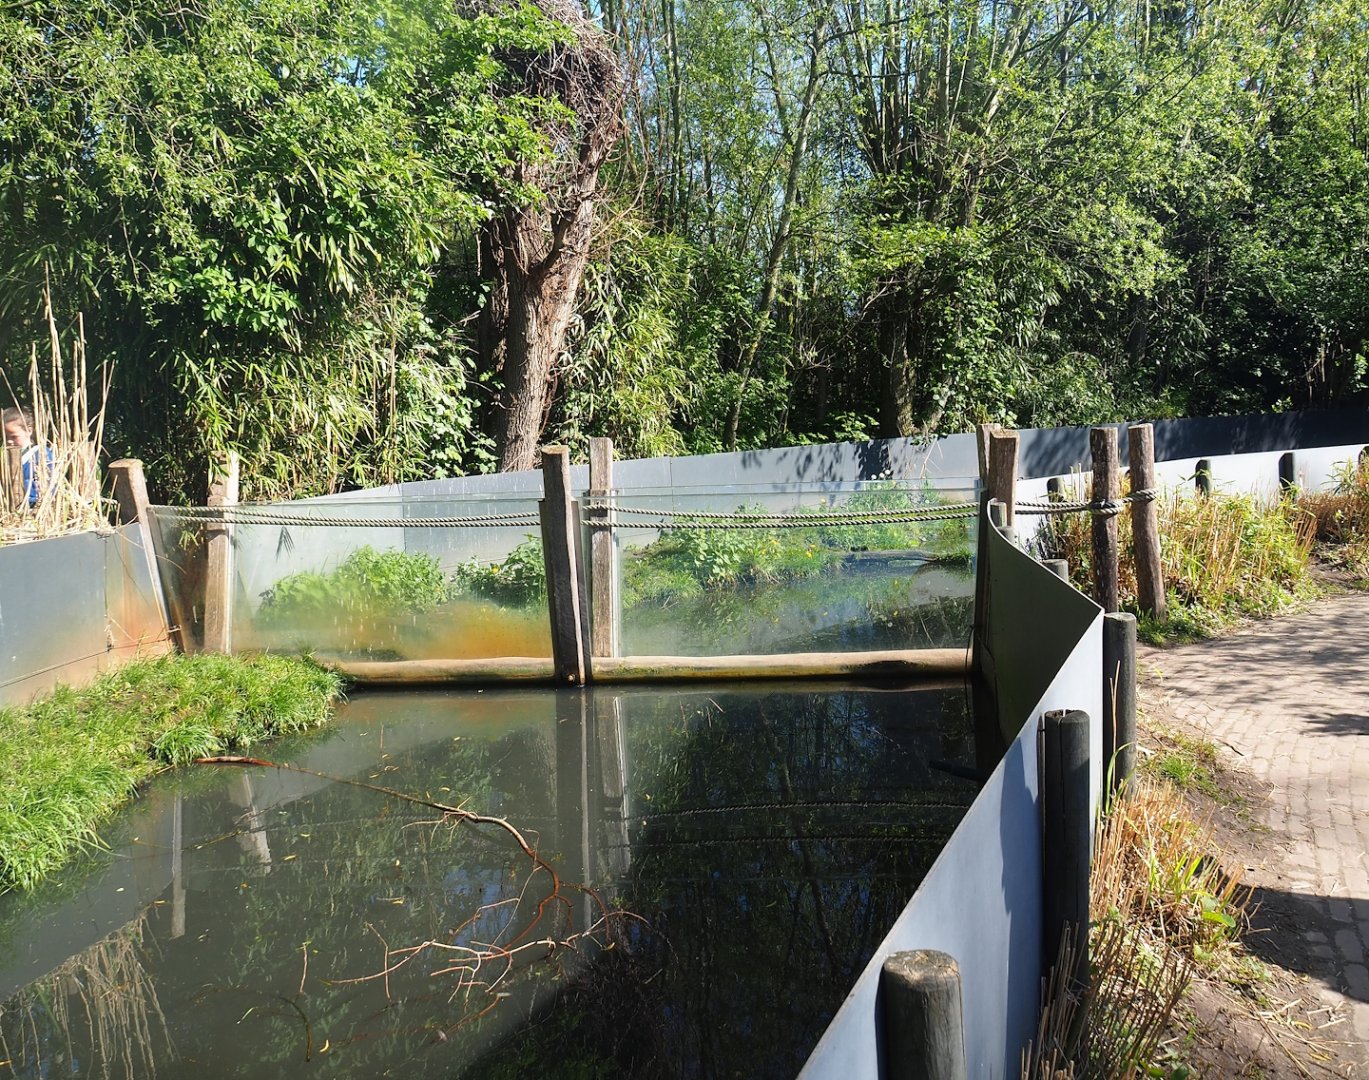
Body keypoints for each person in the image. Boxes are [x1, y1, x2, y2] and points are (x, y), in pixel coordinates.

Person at [2, 407, 46, 506]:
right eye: (6, 437)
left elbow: (47, 485)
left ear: (29, 430)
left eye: (14, 436)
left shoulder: (40, 454)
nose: (9, 441)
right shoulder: (7, 457)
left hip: (32, 506)